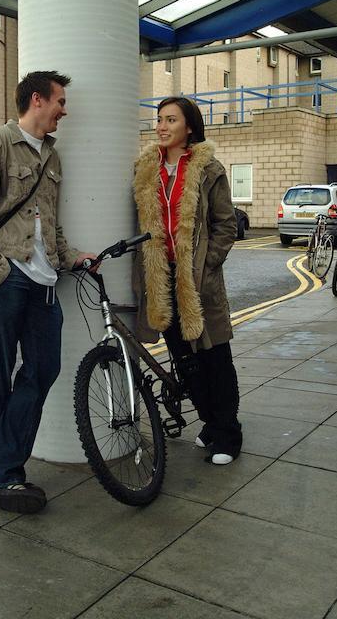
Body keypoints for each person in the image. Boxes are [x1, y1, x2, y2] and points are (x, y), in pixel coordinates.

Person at [0, 70, 95, 512]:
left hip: (45, 281)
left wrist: (70, 255)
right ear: (37, 100)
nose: (64, 110)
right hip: (6, 278)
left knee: (43, 369)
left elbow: (47, 225)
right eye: (60, 101)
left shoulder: (52, 157)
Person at [133, 96, 242, 465]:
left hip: (198, 283)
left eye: (170, 120)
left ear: (189, 127)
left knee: (214, 357)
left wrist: (207, 266)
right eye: (159, 119)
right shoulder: (146, 169)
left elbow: (227, 225)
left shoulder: (208, 169)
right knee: (185, 361)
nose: (161, 126)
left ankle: (228, 433)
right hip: (162, 281)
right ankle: (210, 423)